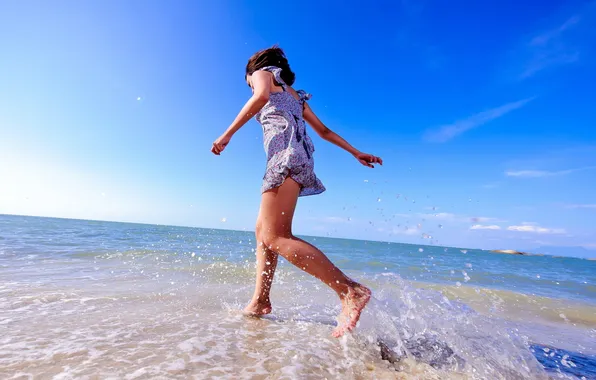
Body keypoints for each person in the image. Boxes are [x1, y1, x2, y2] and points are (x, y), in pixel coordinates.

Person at [211, 46, 383, 337]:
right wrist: (355, 152)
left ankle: (349, 290)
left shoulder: (260, 74)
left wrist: (227, 133)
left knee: (275, 236)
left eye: (248, 81)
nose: (251, 84)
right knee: (262, 232)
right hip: (300, 159)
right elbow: (324, 131)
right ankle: (260, 300)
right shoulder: (295, 95)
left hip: (285, 158)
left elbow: (261, 97)